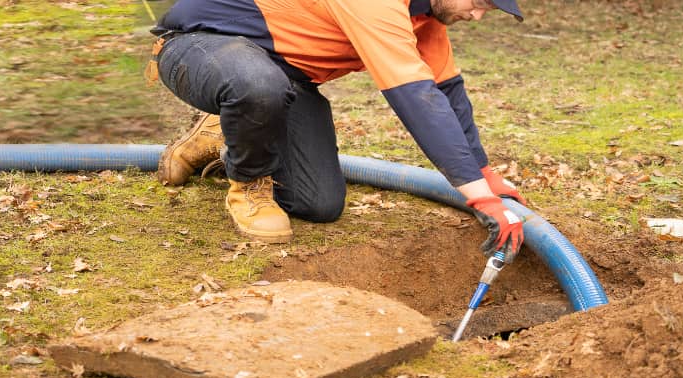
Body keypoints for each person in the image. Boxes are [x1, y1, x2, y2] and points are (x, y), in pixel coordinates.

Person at [148, 0, 529, 258]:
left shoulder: (423, 18)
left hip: (282, 77)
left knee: (319, 204)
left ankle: (224, 132)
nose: (477, 15)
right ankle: (248, 185)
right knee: (257, 86)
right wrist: (480, 200)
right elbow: (417, 100)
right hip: (201, 45)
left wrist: (484, 175)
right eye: (479, 2)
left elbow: (447, 93)